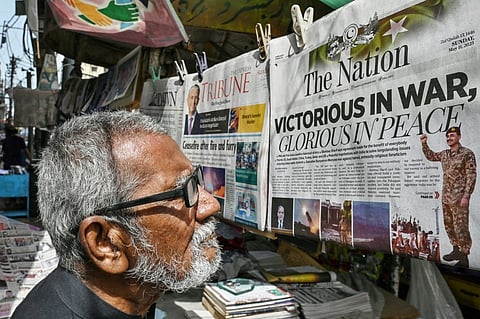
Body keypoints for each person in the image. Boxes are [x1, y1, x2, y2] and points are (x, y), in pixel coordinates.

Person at [11, 111, 222, 318]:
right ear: (105, 243)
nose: (210, 205)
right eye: (181, 192)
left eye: (195, 181)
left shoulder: (135, 295)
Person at [420, 126, 477, 267]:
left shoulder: (466, 153)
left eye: (452, 135)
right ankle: (456, 250)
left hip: (459, 198)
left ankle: (464, 256)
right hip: (446, 197)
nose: (449, 138)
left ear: (459, 137)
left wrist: (467, 195)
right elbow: (431, 156)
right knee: (449, 226)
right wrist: (424, 143)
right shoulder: (445, 154)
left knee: (460, 227)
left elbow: (471, 175)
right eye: (447, 136)